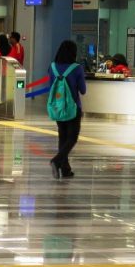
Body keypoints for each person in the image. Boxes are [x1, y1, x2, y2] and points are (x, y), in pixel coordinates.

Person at [49, 39, 86, 179]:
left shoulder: (52, 67)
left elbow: (51, 85)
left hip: (58, 107)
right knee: (72, 138)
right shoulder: (76, 68)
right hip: (73, 108)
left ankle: (65, 169)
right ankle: (57, 161)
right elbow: (83, 90)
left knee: (62, 137)